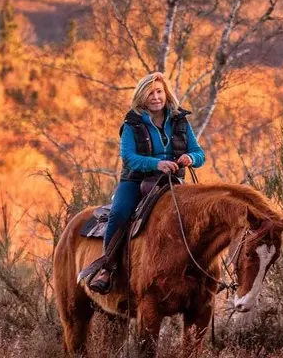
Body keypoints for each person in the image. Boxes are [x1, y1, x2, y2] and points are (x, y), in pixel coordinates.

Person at [86, 72, 206, 294]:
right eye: (150, 93)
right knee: (120, 213)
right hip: (135, 180)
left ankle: (199, 271)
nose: (156, 97)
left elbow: (199, 153)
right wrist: (157, 163)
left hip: (173, 181)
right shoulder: (132, 124)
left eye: (159, 91)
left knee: (198, 217)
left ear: (166, 93)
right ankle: (107, 268)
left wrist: (191, 158)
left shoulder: (180, 120)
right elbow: (129, 158)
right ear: (142, 96)